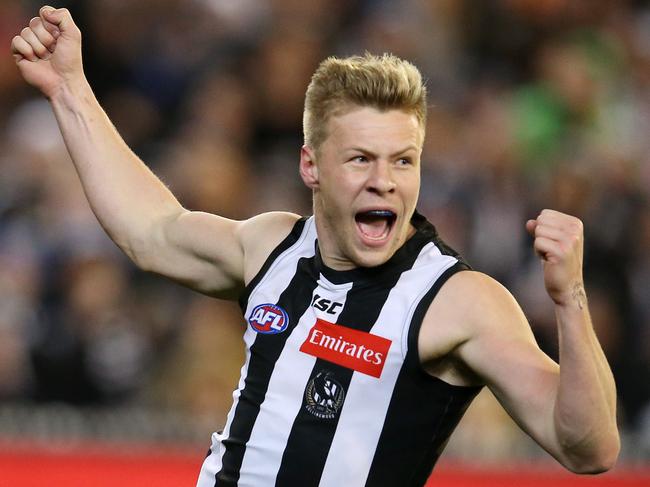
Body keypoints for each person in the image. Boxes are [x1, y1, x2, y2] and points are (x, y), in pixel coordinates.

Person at [11, 6, 619, 487]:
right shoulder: (272, 245)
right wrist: (69, 88)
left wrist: (571, 299)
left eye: (403, 161)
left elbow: (589, 448)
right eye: (360, 159)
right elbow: (152, 232)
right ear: (312, 166)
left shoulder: (456, 302)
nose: (385, 179)